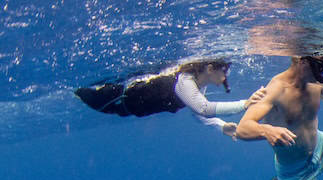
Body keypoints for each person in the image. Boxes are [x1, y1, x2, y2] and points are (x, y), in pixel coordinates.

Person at [75, 58, 255, 139]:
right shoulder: (185, 81)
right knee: (78, 91)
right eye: (224, 72)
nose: (225, 79)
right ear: (209, 68)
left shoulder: (198, 85)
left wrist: (220, 125)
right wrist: (244, 105)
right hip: (113, 99)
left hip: (124, 108)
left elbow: (198, 112)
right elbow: (203, 108)